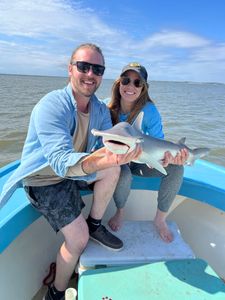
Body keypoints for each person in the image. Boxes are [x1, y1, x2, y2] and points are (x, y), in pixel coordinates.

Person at [0, 45, 141, 300]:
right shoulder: (51, 106)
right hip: (45, 179)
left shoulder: (98, 109)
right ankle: (56, 292)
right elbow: (60, 161)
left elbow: (107, 146)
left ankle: (95, 224)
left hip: (74, 172)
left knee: (114, 168)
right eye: (83, 66)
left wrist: (143, 152)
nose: (90, 74)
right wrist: (103, 159)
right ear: (70, 69)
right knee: (78, 240)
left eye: (97, 69)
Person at [107, 62, 188, 243]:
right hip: (117, 161)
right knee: (123, 174)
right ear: (119, 82)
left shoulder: (150, 111)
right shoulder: (106, 107)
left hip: (141, 160)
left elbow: (158, 142)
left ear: (143, 88)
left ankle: (160, 219)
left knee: (176, 169)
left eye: (137, 83)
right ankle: (120, 211)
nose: (130, 86)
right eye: (126, 80)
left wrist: (163, 160)